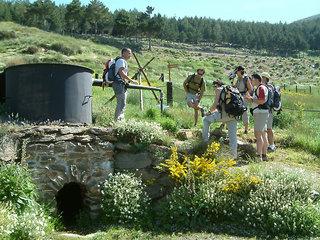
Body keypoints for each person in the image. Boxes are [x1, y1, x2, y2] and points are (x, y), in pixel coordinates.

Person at [202, 80, 238, 159]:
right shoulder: (232, 89)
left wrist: (208, 112)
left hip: (224, 115)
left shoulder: (219, 90)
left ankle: (204, 142)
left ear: (217, 85)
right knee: (233, 136)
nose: (214, 88)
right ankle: (233, 156)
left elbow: (215, 105)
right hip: (234, 115)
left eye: (214, 86)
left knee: (205, 120)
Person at [245, 73, 269, 161]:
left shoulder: (261, 88)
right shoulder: (260, 88)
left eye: (252, 79)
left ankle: (259, 157)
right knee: (263, 134)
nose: (251, 81)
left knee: (258, 134)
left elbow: (262, 101)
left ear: (256, 79)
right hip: (262, 113)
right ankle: (264, 155)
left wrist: (250, 99)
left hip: (260, 113)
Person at [112, 48, 137, 121]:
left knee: (122, 103)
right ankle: (117, 122)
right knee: (121, 103)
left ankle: (119, 120)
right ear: (123, 53)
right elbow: (121, 73)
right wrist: (132, 80)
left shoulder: (122, 61)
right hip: (119, 84)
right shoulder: (121, 61)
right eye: (129, 53)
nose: (130, 54)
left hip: (120, 84)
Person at [232, 66, 253, 134]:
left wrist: (246, 96)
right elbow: (234, 87)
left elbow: (250, 89)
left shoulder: (246, 78)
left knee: (244, 112)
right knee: (235, 111)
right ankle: (234, 127)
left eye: (237, 71)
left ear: (240, 71)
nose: (236, 73)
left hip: (244, 97)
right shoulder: (237, 79)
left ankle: (246, 129)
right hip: (237, 96)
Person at [261, 72, 276, 151]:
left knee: (269, 129)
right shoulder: (264, 87)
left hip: (268, 111)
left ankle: (272, 145)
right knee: (264, 129)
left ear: (265, 78)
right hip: (265, 111)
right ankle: (266, 146)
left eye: (262, 77)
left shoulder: (269, 87)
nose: (261, 78)